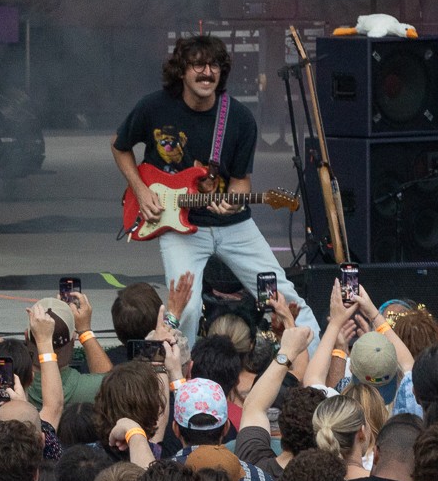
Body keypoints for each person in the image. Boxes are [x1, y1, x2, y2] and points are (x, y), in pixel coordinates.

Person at [111, 34, 320, 355]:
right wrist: (141, 190)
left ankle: (320, 372)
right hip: (179, 230)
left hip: (233, 227)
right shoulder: (153, 107)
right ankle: (186, 386)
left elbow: (241, 183)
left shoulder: (238, 119)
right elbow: (119, 146)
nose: (207, 72)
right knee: (188, 310)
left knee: (284, 297)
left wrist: (230, 202)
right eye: (197, 65)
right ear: (181, 70)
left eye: (213, 66)